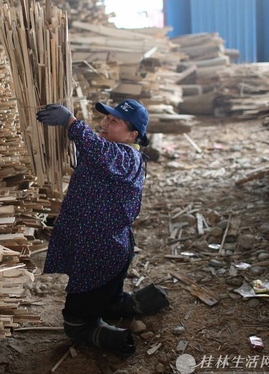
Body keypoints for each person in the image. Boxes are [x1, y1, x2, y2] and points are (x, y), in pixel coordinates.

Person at [36, 99, 169, 359]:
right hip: (105, 242)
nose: (106, 122)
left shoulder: (126, 156)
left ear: (133, 135)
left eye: (115, 121)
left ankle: (79, 324)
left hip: (98, 247)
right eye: (107, 117)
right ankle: (114, 304)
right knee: (107, 286)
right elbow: (92, 151)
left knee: (87, 292)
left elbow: (97, 150)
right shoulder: (110, 150)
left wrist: (71, 122)